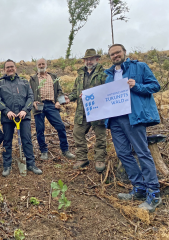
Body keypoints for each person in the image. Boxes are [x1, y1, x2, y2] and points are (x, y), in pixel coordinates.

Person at [105, 44, 161, 212]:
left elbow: (155, 86)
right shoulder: (108, 75)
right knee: (123, 154)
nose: (115, 56)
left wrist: (136, 86)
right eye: (112, 54)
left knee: (142, 152)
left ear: (124, 53)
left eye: (117, 52)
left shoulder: (140, 67)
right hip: (115, 120)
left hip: (134, 118)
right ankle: (139, 188)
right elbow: (105, 97)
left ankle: (154, 193)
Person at [0, 59, 42, 177]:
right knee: (7, 141)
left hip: (23, 117)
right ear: (4, 70)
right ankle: (7, 165)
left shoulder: (24, 82)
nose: (10, 69)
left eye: (12, 66)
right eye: (7, 67)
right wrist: (7, 111)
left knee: (27, 139)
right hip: (8, 118)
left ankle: (31, 164)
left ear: (15, 68)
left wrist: (25, 110)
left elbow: (31, 97)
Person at [68, 49, 107, 172]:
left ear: (97, 59)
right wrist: (68, 98)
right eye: (87, 59)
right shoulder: (80, 75)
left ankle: (100, 159)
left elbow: (107, 90)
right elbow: (75, 92)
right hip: (82, 111)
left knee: (100, 136)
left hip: (98, 110)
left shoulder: (104, 74)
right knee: (77, 133)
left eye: (91, 59)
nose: (89, 61)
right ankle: (82, 158)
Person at [29, 58, 75, 161]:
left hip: (51, 105)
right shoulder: (33, 79)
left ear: (46, 65)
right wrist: (33, 102)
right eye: (39, 64)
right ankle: (43, 151)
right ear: (37, 66)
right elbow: (30, 94)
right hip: (39, 106)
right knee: (40, 130)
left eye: (43, 64)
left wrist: (59, 102)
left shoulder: (53, 77)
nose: (41, 66)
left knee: (61, 127)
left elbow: (60, 91)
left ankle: (65, 150)